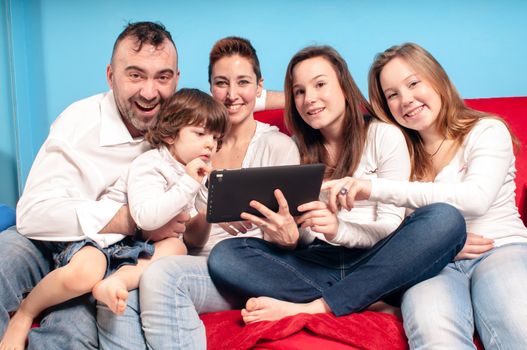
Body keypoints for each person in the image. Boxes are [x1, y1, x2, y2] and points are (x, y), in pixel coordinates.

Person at [207, 45, 467, 324]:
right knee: (225, 255)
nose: (310, 99)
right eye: (299, 91)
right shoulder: (294, 148)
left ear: (344, 85)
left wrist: (338, 229)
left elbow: (390, 226)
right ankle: (367, 298)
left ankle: (316, 307)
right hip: (319, 264)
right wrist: (292, 237)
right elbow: (306, 235)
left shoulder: (383, 135)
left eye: (320, 84)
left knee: (445, 218)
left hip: (379, 258)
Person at [94, 36, 300, 349]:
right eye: (221, 83)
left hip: (244, 266)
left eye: (243, 82)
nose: (231, 95)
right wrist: (202, 215)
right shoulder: (192, 147)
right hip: (194, 258)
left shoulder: (278, 146)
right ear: (210, 88)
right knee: (120, 297)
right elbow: (190, 239)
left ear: (259, 87)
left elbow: (288, 229)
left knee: (162, 276)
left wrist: (280, 230)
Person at [0, 21, 190, 350]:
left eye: (162, 77)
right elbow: (32, 215)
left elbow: (239, 103)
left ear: (177, 79)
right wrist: (129, 218)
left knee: (74, 334)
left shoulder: (184, 127)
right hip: (44, 241)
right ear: (110, 76)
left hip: (111, 260)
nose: (149, 92)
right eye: (135, 75)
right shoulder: (79, 120)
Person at [324, 42, 527, 349]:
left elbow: (475, 198)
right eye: (392, 95)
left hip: (499, 249)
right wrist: (439, 244)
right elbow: (333, 104)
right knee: (433, 332)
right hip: (435, 265)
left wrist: (372, 188)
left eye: (413, 83)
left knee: (516, 320)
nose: (406, 100)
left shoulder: (486, 130)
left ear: (437, 78)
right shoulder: (397, 150)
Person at [0, 88, 227, 350]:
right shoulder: (150, 164)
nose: (210, 143)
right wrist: (189, 183)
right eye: (200, 134)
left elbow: (195, 239)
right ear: (171, 134)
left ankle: (116, 281)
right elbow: (146, 217)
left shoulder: (193, 174)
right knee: (84, 274)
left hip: (134, 249)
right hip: (103, 239)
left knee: (178, 247)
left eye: (215, 138)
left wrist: (210, 207)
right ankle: (26, 313)